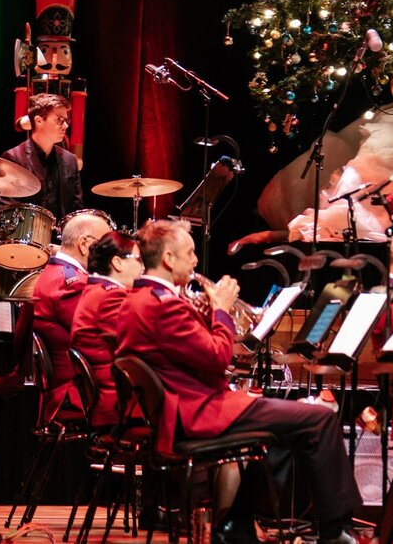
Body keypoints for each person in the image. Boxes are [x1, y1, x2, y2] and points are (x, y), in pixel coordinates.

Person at [114, 220, 361, 543]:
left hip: (185, 408)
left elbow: (187, 352)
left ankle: (236, 523)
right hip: (199, 412)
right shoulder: (165, 306)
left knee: (288, 425)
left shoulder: (136, 299)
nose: (196, 261)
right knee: (319, 418)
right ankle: (333, 531)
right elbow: (218, 357)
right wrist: (221, 310)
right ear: (169, 259)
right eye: (190, 253)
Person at [32, 212, 113, 423]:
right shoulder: (71, 282)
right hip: (77, 394)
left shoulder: (56, 272)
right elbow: (101, 334)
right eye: (104, 246)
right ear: (84, 244)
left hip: (76, 387)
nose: (110, 256)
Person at [70, 231, 143, 429]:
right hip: (118, 405)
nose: (143, 267)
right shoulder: (110, 297)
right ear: (117, 263)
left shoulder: (97, 290)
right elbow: (136, 347)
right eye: (139, 259)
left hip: (111, 398)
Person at [2, 93, 84, 221]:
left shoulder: (70, 160)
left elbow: (76, 210)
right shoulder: (14, 158)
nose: (66, 126)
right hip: (27, 231)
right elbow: (8, 211)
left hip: (61, 232)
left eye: (66, 120)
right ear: (39, 121)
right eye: (59, 120)